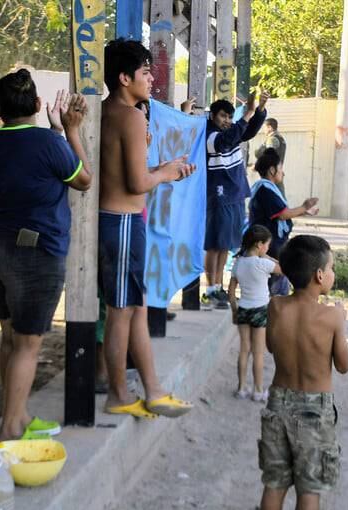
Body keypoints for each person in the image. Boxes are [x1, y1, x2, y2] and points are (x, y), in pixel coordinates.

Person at [0, 70, 91, 441]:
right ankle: (12, 428)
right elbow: (83, 179)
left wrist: (56, 134)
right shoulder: (49, 142)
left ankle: (18, 415)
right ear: (38, 105)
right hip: (36, 253)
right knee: (29, 343)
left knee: (11, 337)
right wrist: (70, 131)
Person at [99, 38, 196, 419]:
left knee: (134, 308)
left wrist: (162, 170)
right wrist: (167, 173)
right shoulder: (134, 116)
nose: (151, 78)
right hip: (123, 224)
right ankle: (118, 393)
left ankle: (152, 388)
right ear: (125, 77)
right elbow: (137, 183)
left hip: (114, 221)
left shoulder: (107, 110)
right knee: (122, 311)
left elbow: (124, 175)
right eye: (144, 72)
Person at [256, 234, 348, 510]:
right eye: (331, 267)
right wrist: (341, 323)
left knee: (274, 483)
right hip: (314, 409)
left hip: (278, 401)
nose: (333, 272)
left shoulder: (276, 307)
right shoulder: (331, 317)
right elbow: (344, 366)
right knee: (309, 489)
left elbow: (269, 345)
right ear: (319, 277)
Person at [203, 92, 269, 309]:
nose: (227, 121)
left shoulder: (231, 131)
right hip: (219, 195)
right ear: (213, 115)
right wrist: (247, 113)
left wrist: (259, 109)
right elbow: (227, 140)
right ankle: (211, 289)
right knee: (215, 244)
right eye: (223, 116)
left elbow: (247, 131)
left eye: (230, 117)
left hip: (236, 195)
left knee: (226, 245)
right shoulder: (211, 136)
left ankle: (219, 287)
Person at [248, 148, 318, 296]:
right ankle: (274, 308)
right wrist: (304, 207)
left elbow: (283, 212)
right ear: (272, 170)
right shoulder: (265, 189)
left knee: (278, 277)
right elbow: (283, 214)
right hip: (271, 244)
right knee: (276, 278)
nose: (283, 173)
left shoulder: (267, 188)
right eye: (281, 168)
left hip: (272, 242)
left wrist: (303, 211)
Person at [227, 225, 281, 402]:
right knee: (258, 353)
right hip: (260, 309)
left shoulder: (238, 263)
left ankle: (241, 388)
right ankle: (258, 391)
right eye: (266, 245)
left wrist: (235, 310)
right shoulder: (263, 263)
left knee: (244, 349)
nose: (267, 248)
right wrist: (266, 256)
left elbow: (231, 290)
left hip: (243, 308)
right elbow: (282, 268)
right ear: (259, 244)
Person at [255, 118, 287, 191]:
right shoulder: (280, 138)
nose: (263, 130)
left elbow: (269, 157)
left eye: (264, 127)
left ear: (269, 127)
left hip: (271, 175)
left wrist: (257, 165)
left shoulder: (272, 139)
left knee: (274, 196)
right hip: (276, 172)